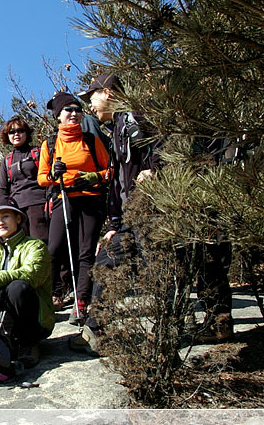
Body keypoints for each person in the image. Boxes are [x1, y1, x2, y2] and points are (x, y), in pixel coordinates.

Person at [71, 73, 162, 352]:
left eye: (91, 98)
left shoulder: (139, 115)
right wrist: (115, 223)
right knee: (106, 263)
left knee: (157, 268)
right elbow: (119, 180)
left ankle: (164, 332)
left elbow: (166, 144)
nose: (89, 106)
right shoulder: (117, 127)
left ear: (108, 92)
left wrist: (157, 171)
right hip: (128, 216)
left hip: (150, 208)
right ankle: (96, 331)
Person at [37, 91, 111, 326]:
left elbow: (109, 170)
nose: (74, 113)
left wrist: (93, 177)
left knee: (86, 252)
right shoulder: (50, 143)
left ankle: (81, 302)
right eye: (68, 110)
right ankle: (48, 298)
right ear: (58, 116)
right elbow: (41, 178)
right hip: (64, 198)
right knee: (54, 249)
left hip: (91, 199)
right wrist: (53, 175)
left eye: (77, 109)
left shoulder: (91, 139)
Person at [0, 199, 54, 365]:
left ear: (18, 219)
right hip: (0, 315)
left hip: (34, 318)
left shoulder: (35, 246)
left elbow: (31, 275)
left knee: (17, 287)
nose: (0, 222)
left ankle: (28, 343)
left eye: (6, 216)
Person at [0, 117, 49, 243]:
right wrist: (0, 210)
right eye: (12, 132)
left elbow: (48, 178)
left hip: (38, 204)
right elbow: (3, 189)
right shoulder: (7, 160)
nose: (16, 134)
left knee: (40, 242)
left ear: (26, 133)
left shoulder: (38, 152)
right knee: (20, 245)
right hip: (16, 208)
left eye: (20, 130)